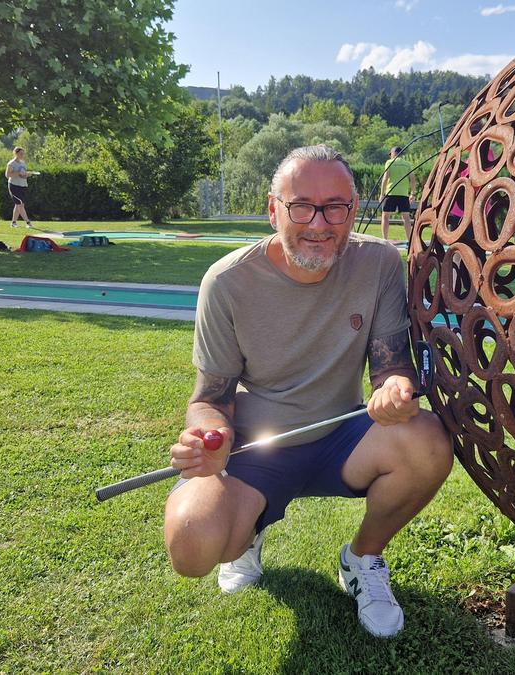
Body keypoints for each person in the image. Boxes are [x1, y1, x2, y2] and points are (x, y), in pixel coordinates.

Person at [163, 145, 453, 639]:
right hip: (258, 447)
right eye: (301, 206)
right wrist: (209, 438)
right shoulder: (227, 281)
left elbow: (391, 365)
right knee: (192, 544)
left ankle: (362, 559)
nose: (320, 223)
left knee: (426, 441)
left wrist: (396, 388)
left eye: (336, 206)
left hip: (342, 436)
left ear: (354, 210)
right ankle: (249, 528)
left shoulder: (379, 263)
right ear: (273, 209)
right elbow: (210, 397)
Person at [380, 146, 417, 242]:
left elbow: (385, 178)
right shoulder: (407, 164)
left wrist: (382, 194)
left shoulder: (389, 162)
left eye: (390, 154)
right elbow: (412, 179)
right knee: (406, 218)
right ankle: (410, 241)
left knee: (385, 216)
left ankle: (384, 240)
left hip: (390, 193)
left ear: (394, 153)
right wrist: (413, 193)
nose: (390, 156)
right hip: (403, 195)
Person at [5, 147, 37, 228]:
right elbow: (8, 175)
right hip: (14, 186)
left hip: (23, 186)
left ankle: (13, 223)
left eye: (23, 153)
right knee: (20, 204)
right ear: (16, 153)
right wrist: (19, 173)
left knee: (18, 204)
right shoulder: (11, 163)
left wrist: (27, 174)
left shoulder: (23, 163)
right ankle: (28, 223)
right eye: (21, 153)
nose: (22, 155)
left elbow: (23, 174)